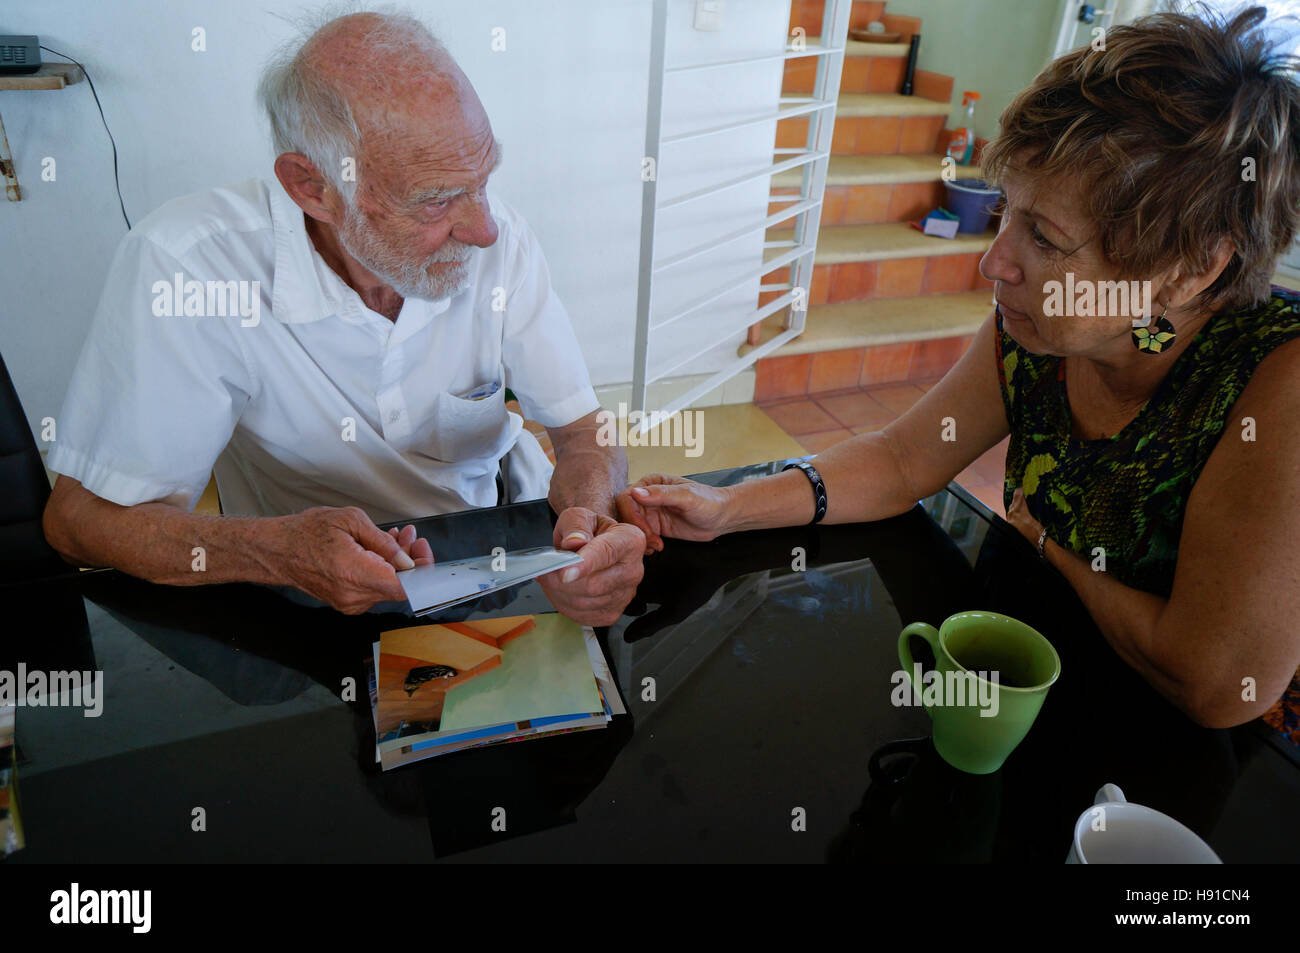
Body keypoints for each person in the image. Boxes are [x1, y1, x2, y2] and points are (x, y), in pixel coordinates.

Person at [617, 6, 1300, 730]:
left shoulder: (1274, 381)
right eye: (1008, 210)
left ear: (1191, 268)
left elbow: (1219, 683)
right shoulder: (1043, 330)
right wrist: (731, 507)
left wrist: (1047, 547)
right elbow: (904, 459)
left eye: (1042, 234)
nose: (993, 261)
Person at [41, 11, 643, 623]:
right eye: (434, 200)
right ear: (312, 187)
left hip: (493, 550)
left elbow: (580, 430)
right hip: (301, 593)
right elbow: (78, 523)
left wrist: (590, 524)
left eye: (483, 180)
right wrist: (275, 552)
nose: (483, 229)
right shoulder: (191, 266)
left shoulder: (497, 237)